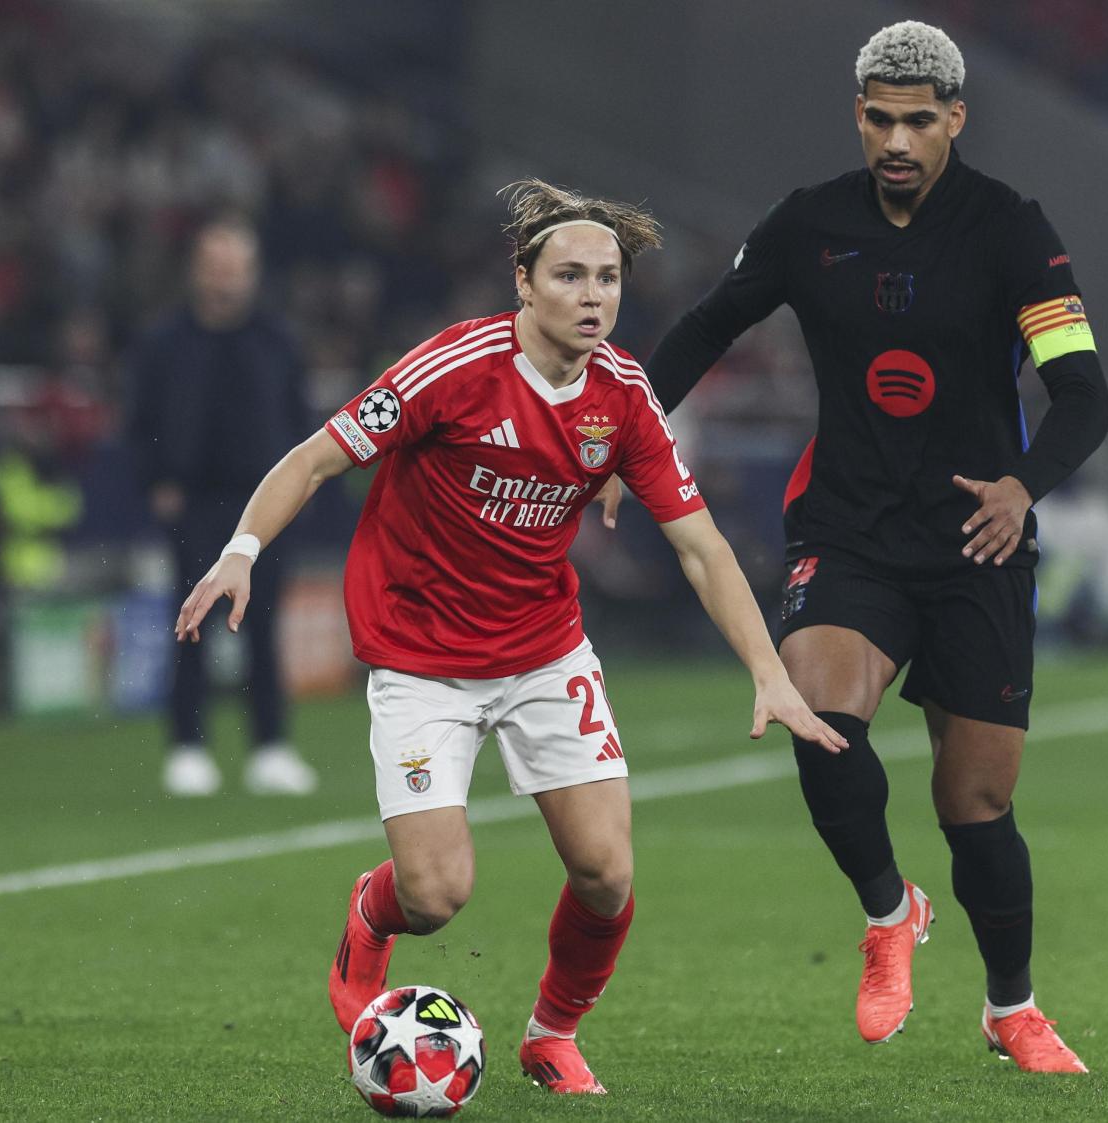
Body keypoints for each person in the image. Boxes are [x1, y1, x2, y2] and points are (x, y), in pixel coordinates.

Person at [172, 180, 844, 1096]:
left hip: (542, 650)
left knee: (607, 872)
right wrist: (242, 550)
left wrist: (769, 670)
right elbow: (318, 454)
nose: (593, 295)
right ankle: (373, 912)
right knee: (437, 896)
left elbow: (701, 546)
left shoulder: (625, 397)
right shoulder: (453, 369)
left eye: (607, 277)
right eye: (570, 275)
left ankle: (552, 1034)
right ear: (523, 283)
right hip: (419, 659)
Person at [634, 21, 1108, 1073]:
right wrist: (620, 429)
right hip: (849, 529)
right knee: (819, 720)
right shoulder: (809, 225)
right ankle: (888, 912)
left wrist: (1022, 486)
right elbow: (709, 325)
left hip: (975, 540)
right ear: (858, 115)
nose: (896, 140)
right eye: (879, 119)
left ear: (954, 120)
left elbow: (1082, 393)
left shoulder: (1008, 229)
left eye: (917, 121)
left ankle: (1009, 1007)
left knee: (973, 805)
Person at [128, 218, 318, 797]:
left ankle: (270, 748)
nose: (226, 278)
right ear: (196, 270)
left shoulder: (277, 340)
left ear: (252, 272)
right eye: (216, 265)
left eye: (235, 266)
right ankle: (187, 749)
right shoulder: (164, 342)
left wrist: (298, 490)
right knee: (191, 625)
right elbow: (139, 422)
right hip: (192, 503)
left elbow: (302, 425)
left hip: (262, 504)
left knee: (263, 628)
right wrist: (156, 479)